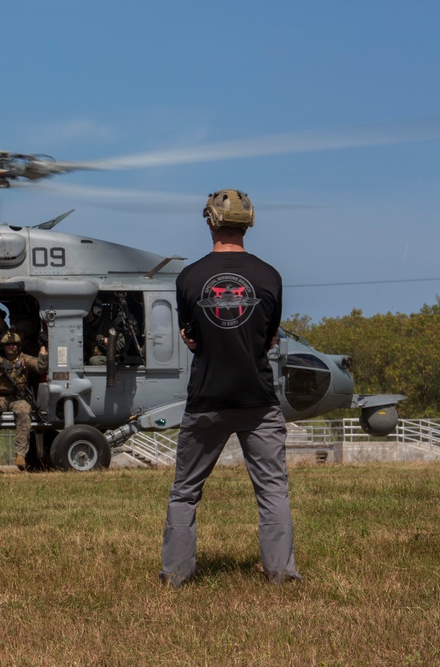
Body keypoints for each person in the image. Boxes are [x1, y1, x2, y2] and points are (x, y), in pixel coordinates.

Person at [160, 189, 300, 587]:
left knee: (185, 491)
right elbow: (269, 339)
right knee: (272, 489)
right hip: (258, 399)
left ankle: (176, 575)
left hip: (206, 399)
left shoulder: (189, 277)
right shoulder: (270, 276)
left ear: (210, 221)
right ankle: (281, 574)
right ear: (249, 223)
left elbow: (191, 337)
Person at [0, 331, 48, 470]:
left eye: (14, 344)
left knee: (25, 411)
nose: (11, 347)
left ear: (19, 346)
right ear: (3, 346)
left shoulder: (25, 360)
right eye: (8, 344)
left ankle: (20, 455)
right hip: (0, 398)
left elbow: (41, 368)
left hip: (18, 399)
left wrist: (43, 347)